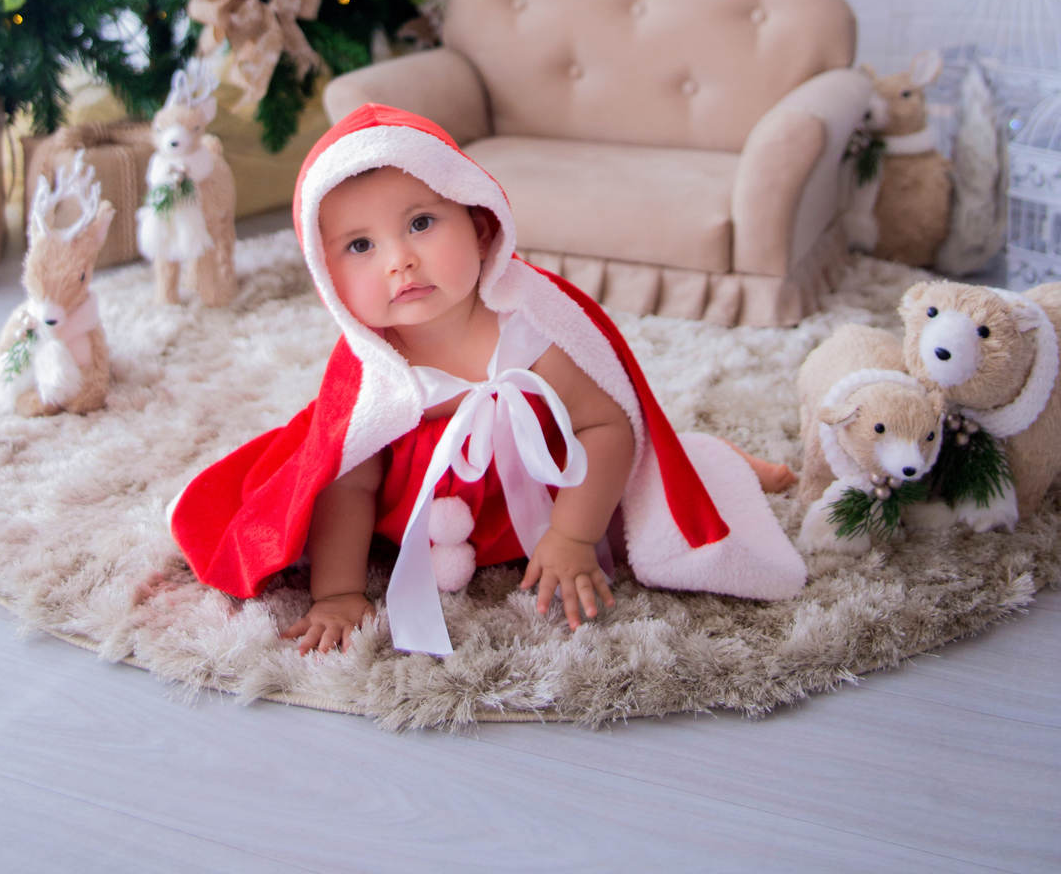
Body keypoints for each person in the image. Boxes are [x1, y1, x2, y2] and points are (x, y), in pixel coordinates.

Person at [169, 105, 805, 657]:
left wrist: (572, 535)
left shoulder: (529, 332)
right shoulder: (373, 368)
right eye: (360, 246)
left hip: (535, 488)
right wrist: (338, 593)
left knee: (648, 493)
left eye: (421, 223)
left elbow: (608, 424)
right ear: (326, 273)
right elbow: (349, 482)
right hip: (424, 508)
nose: (400, 260)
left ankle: (720, 461)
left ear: (478, 226)